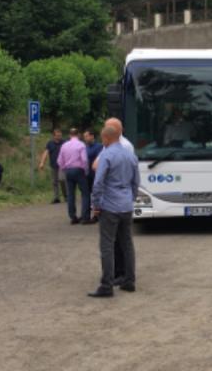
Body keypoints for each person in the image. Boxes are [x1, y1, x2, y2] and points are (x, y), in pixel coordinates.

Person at [88, 125, 139, 298]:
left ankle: (107, 285)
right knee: (127, 243)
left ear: (106, 138)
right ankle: (130, 281)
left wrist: (96, 205)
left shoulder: (107, 155)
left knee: (107, 245)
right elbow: (136, 182)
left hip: (109, 206)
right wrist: (130, 199)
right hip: (126, 205)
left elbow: (98, 183)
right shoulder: (131, 155)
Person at [57, 128, 90, 225]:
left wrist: (64, 168)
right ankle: (85, 217)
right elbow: (84, 160)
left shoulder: (64, 145)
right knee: (85, 193)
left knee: (70, 194)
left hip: (68, 171)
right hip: (79, 170)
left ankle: (73, 217)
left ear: (69, 135)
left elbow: (59, 161)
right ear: (78, 135)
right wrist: (86, 171)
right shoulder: (81, 145)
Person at [39, 129, 66, 204]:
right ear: (54, 136)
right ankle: (56, 197)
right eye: (57, 135)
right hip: (53, 165)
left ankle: (66, 196)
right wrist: (42, 163)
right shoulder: (50, 143)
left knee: (62, 179)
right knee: (54, 182)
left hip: (62, 166)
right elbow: (45, 153)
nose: (59, 137)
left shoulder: (64, 142)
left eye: (60, 135)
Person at [84, 128, 104, 196]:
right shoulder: (85, 147)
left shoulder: (99, 146)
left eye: (87, 136)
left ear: (92, 136)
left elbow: (99, 159)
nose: (85, 138)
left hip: (95, 174)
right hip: (87, 174)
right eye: (84, 137)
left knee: (95, 193)